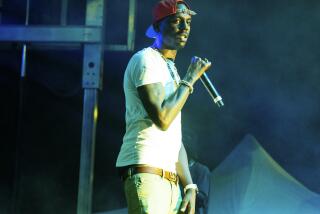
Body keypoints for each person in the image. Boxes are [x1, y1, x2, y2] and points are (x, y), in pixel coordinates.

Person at [116, 0, 212, 213]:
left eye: (188, 22)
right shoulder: (145, 60)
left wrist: (189, 184)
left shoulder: (172, 71)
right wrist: (189, 79)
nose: (184, 27)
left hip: (170, 181)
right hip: (148, 172)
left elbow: (173, 137)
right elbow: (162, 118)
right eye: (177, 21)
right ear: (158, 26)